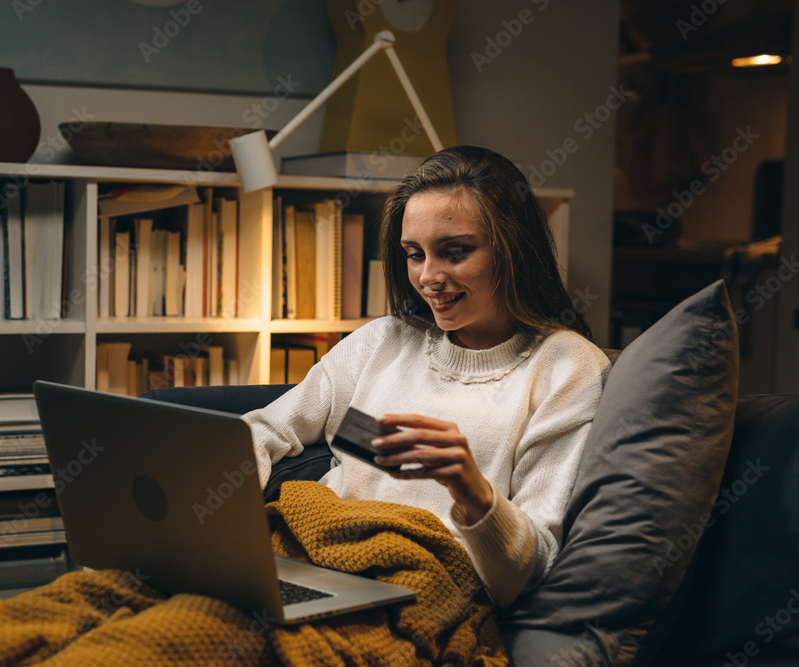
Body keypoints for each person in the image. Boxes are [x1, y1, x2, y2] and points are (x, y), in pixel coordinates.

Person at [244, 145, 610, 608]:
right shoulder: (382, 341)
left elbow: (529, 568)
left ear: (514, 249)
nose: (428, 277)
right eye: (414, 254)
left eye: (455, 252)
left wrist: (471, 489)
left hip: (418, 593)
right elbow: (264, 430)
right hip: (310, 558)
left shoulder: (566, 368)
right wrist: (217, 523)